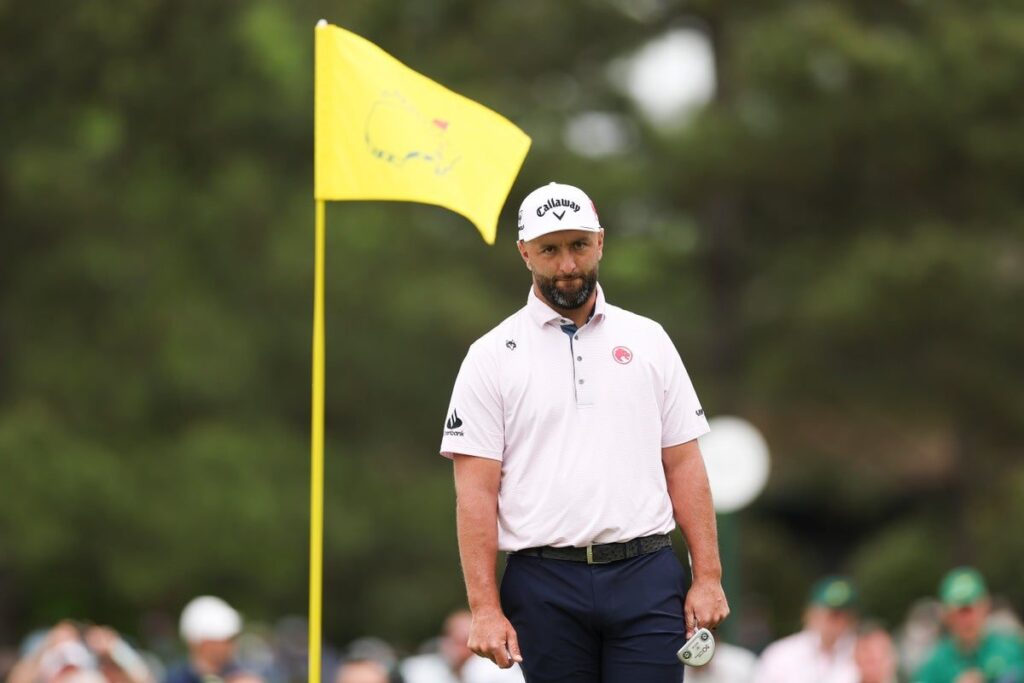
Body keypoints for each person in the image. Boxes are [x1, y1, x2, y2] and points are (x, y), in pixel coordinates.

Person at [439, 181, 728, 683]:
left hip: (646, 570)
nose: (567, 265)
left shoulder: (648, 339)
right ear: (525, 253)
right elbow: (475, 494)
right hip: (543, 580)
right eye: (550, 250)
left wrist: (708, 577)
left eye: (578, 246)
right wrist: (484, 608)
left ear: (600, 242)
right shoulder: (490, 356)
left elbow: (684, 464)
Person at [912, 567, 1024, 683]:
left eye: (971, 610)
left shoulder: (1013, 649)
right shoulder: (935, 665)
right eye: (959, 612)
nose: (967, 620)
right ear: (946, 615)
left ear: (985, 606)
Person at [751, 576, 860, 683]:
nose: (840, 622)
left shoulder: (861, 653)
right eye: (833, 615)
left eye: (846, 615)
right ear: (811, 614)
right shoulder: (781, 654)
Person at [401, 610, 524, 683]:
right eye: (455, 640)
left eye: (465, 640)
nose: (461, 648)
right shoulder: (429, 669)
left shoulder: (494, 673)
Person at [165, 596, 243, 683]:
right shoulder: (176, 678)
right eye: (226, 640)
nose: (231, 646)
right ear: (203, 643)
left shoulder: (239, 674)